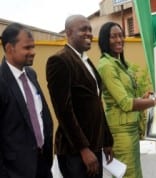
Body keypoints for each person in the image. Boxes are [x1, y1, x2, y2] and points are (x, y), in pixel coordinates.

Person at [97, 21, 156, 178]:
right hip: (120, 132)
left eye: (121, 36)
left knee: (135, 174)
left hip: (130, 129)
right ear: (105, 40)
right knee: (128, 174)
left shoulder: (120, 65)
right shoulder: (106, 66)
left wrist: (143, 98)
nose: (119, 40)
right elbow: (125, 103)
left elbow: (127, 98)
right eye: (113, 37)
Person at [46, 15, 114, 178]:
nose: (89, 33)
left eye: (90, 29)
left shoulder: (86, 60)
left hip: (94, 147)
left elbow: (96, 103)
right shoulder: (59, 61)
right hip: (74, 152)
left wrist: (106, 140)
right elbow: (64, 111)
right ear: (69, 32)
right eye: (83, 29)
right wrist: (83, 149)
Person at [0, 23, 53, 178]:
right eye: (27, 48)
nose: (33, 52)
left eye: (33, 47)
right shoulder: (1, 82)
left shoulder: (31, 74)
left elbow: (41, 115)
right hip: (15, 171)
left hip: (42, 164)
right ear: (10, 48)